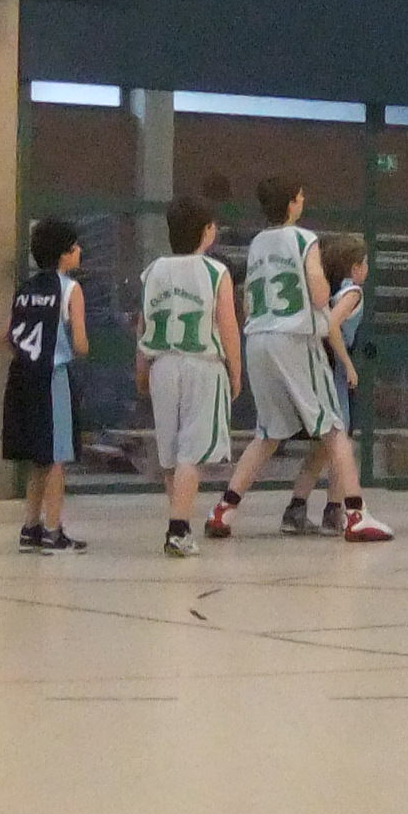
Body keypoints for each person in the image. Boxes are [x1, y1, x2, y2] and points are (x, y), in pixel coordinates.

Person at [208, 177, 393, 541]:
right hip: (293, 338)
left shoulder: (257, 242)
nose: (303, 201)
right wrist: (319, 291)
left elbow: (247, 296)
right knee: (334, 429)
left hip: (258, 339)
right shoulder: (304, 239)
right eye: (301, 196)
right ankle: (356, 515)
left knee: (267, 434)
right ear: (291, 203)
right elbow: (319, 293)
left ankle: (224, 510)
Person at [136, 197, 241, 558]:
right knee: (191, 454)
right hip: (202, 364)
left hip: (162, 364)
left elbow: (143, 324)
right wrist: (236, 372)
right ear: (207, 231)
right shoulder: (216, 272)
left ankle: (178, 522)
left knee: (171, 454)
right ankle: (178, 529)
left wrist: (141, 368)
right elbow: (228, 325)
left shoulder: (152, 271)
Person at [0, 216, 90, 552]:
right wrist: (74, 348)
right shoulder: (70, 289)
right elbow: (80, 343)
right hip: (53, 377)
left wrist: (26, 356)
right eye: (75, 246)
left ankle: (31, 526)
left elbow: (5, 336)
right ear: (64, 254)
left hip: (22, 376)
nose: (80, 250)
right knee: (57, 457)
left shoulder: (25, 289)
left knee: (38, 456)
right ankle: (53, 529)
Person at [287, 231, 372, 534]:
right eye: (365, 263)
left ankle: (296, 509)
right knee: (341, 446)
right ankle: (334, 511)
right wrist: (348, 364)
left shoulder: (334, 291)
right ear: (356, 267)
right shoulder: (353, 293)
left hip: (322, 368)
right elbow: (331, 326)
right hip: (335, 371)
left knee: (322, 449)